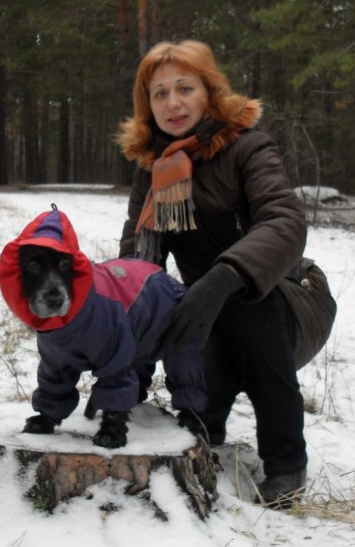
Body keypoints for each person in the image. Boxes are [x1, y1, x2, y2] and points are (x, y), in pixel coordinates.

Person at [116, 40, 309, 509]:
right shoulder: (154, 171)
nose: (173, 103)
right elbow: (139, 264)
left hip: (282, 296)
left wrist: (222, 279)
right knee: (182, 333)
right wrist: (126, 354)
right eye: (160, 93)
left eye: (185, 88)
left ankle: (286, 462)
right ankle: (205, 422)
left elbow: (285, 223)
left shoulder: (248, 148)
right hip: (205, 308)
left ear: (209, 92)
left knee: (248, 312)